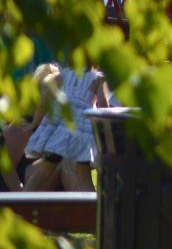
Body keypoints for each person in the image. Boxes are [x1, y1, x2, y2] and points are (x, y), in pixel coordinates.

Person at [22, 62, 110, 191]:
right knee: (83, 175)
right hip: (81, 131)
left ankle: (21, 202)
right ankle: (92, 210)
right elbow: (102, 104)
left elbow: (44, 100)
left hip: (60, 128)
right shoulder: (99, 79)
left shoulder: (64, 75)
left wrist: (34, 123)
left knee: (44, 170)